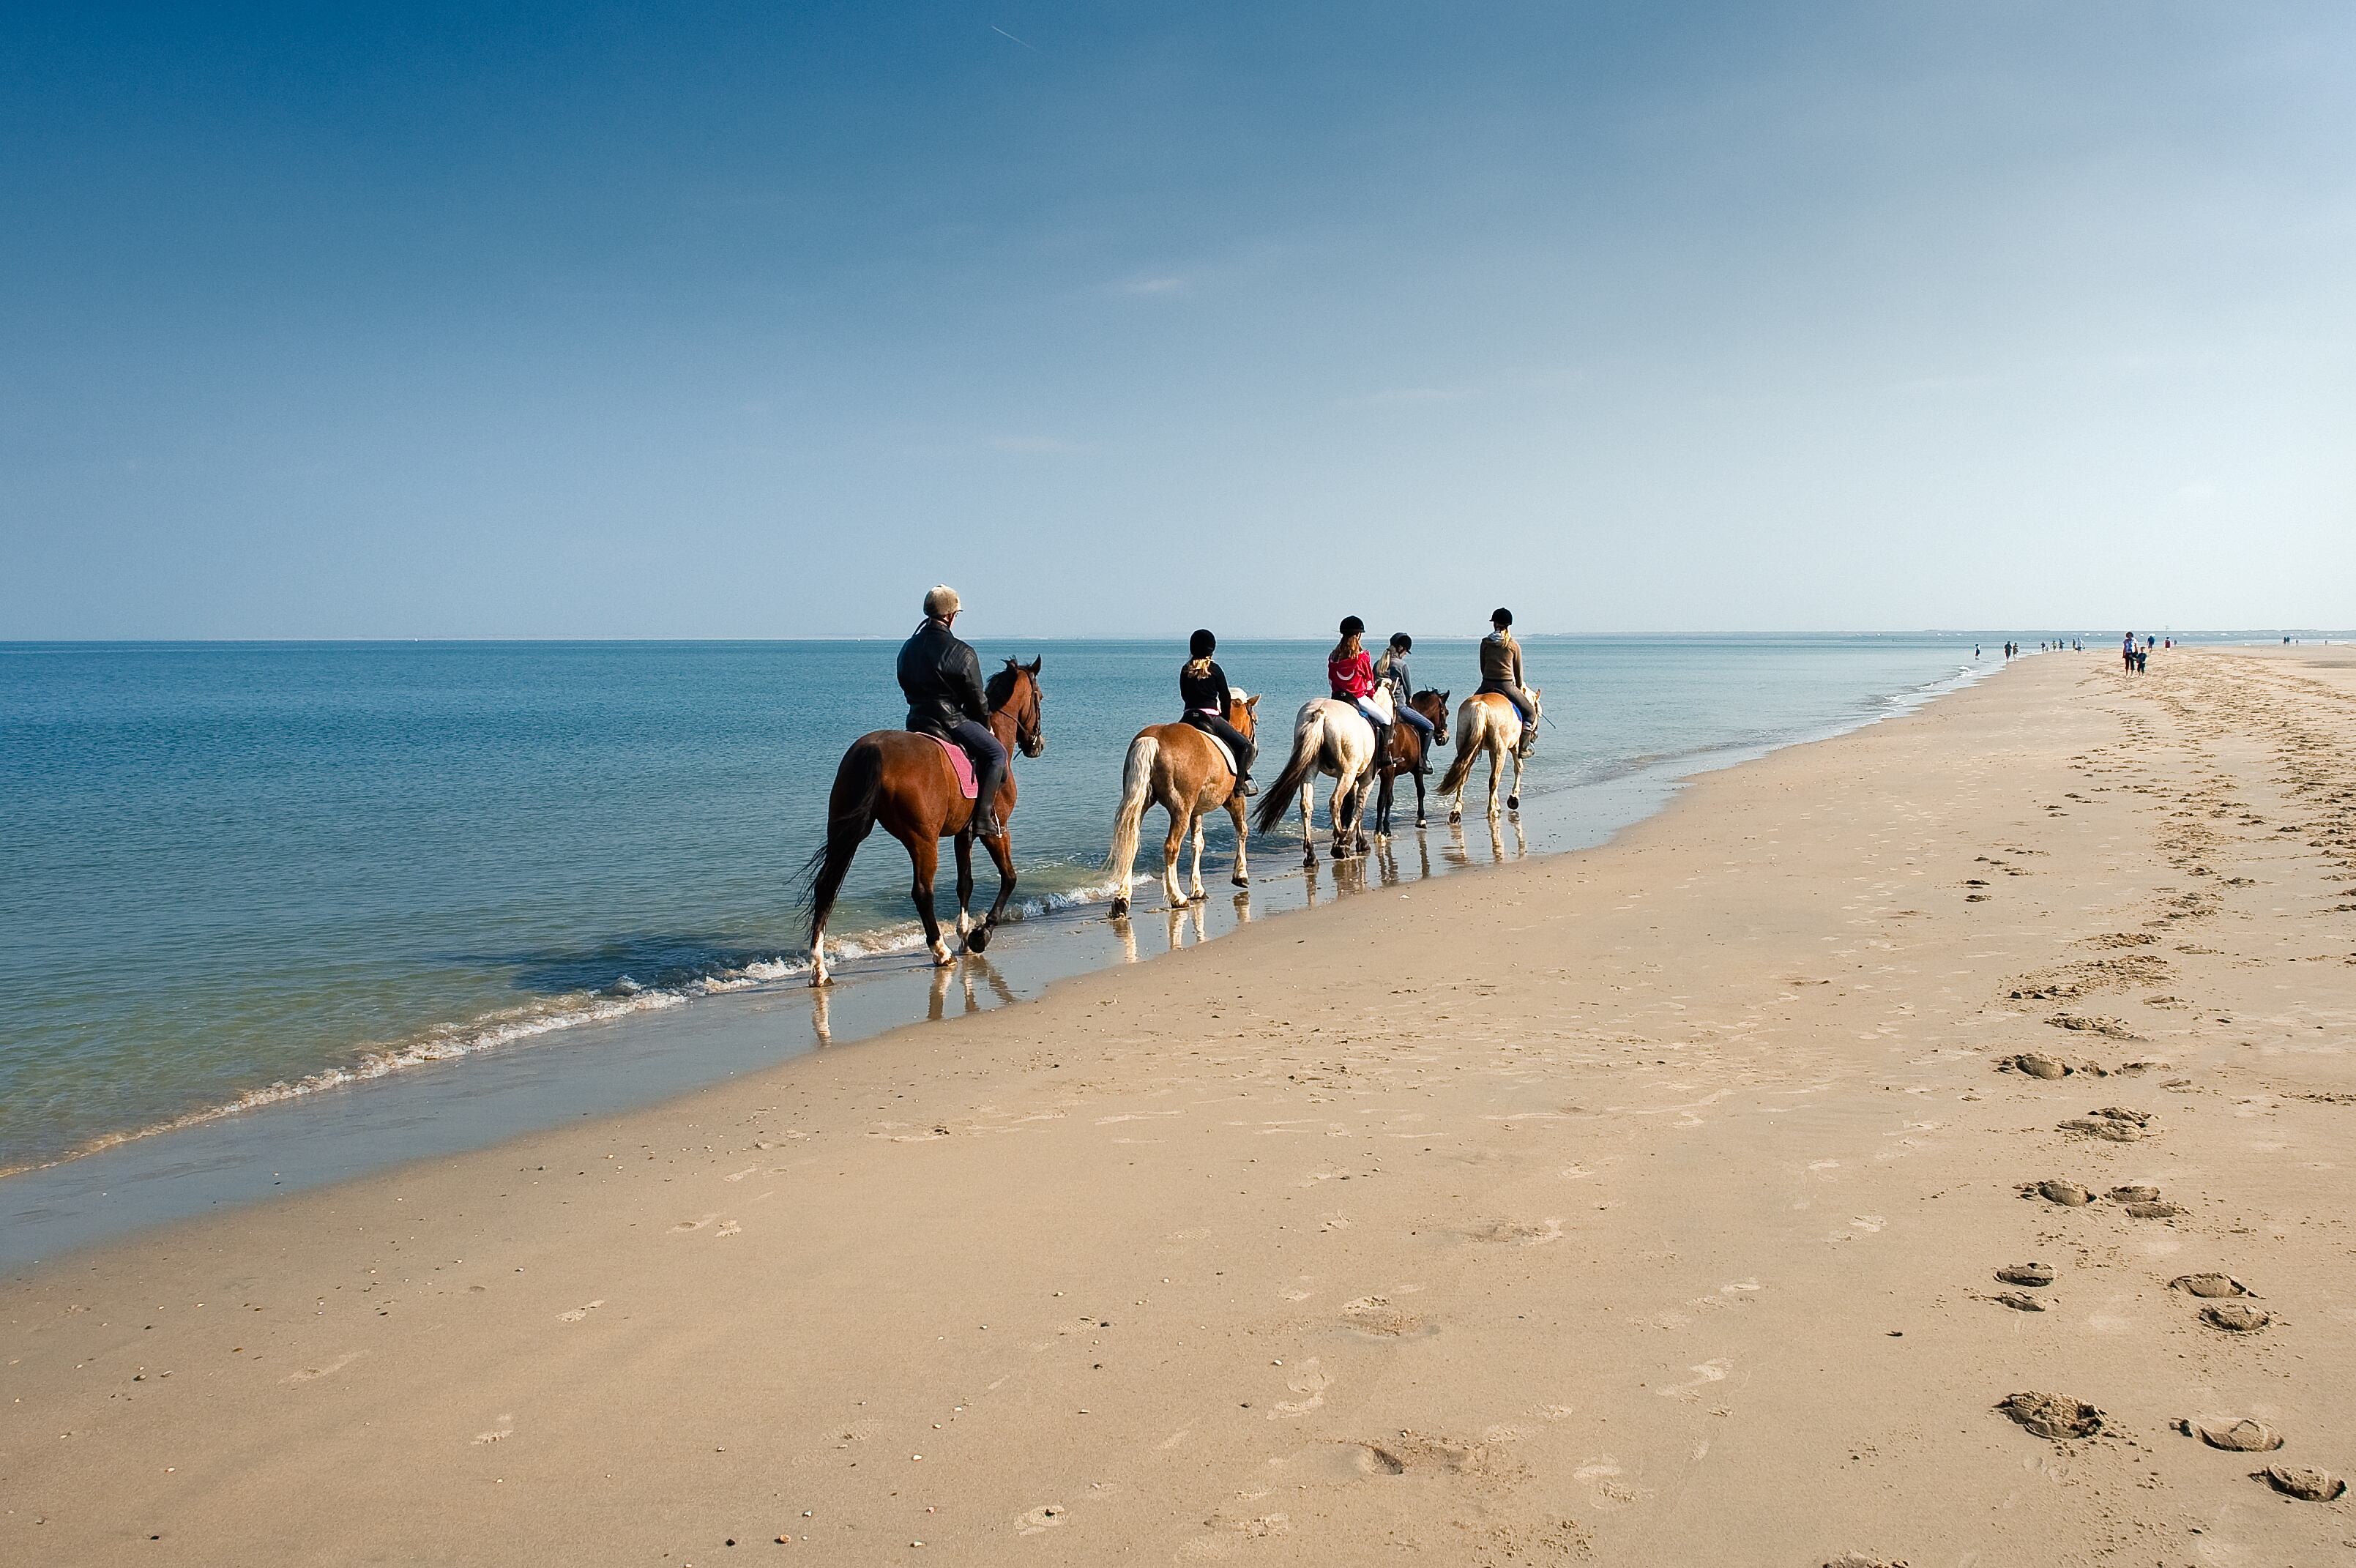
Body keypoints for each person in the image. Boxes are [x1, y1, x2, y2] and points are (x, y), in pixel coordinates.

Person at [897, 585, 1007, 837]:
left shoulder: (907, 648)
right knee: (997, 754)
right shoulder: (963, 652)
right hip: (951, 721)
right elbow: (979, 700)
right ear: (950, 616)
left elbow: (904, 682)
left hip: (916, 719)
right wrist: (986, 724)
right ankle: (982, 819)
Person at [1179, 629, 1256, 796]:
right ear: (1211, 649)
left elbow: (1184, 695)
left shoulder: (1185, 670)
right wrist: (1225, 719)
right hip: (1211, 718)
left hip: (1187, 717)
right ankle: (1239, 786)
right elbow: (1225, 697)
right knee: (1245, 747)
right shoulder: (1215, 669)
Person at [1327, 616, 1391, 763]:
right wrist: (1371, 695)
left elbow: (1331, 680)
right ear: (1359, 635)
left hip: (1337, 698)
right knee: (1386, 720)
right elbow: (1369, 681)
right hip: (1358, 697)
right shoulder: (1362, 657)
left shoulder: (1333, 657)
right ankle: (1383, 757)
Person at [1478, 608, 1537, 757]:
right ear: (1508, 625)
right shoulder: (1513, 645)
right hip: (1506, 686)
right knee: (1531, 713)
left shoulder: (1485, 642)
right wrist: (1518, 687)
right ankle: (1523, 748)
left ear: (1494, 624)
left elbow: (1482, 667)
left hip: (1486, 685)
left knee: (1469, 707)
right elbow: (1518, 675)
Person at [1374, 632, 1435, 773]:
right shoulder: (1401, 665)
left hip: (1378, 706)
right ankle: (1423, 760)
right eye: (1406, 652)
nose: (1405, 655)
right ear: (1401, 649)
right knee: (1429, 726)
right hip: (1399, 707)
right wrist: (1410, 702)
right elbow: (1409, 692)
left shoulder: (1378, 663)